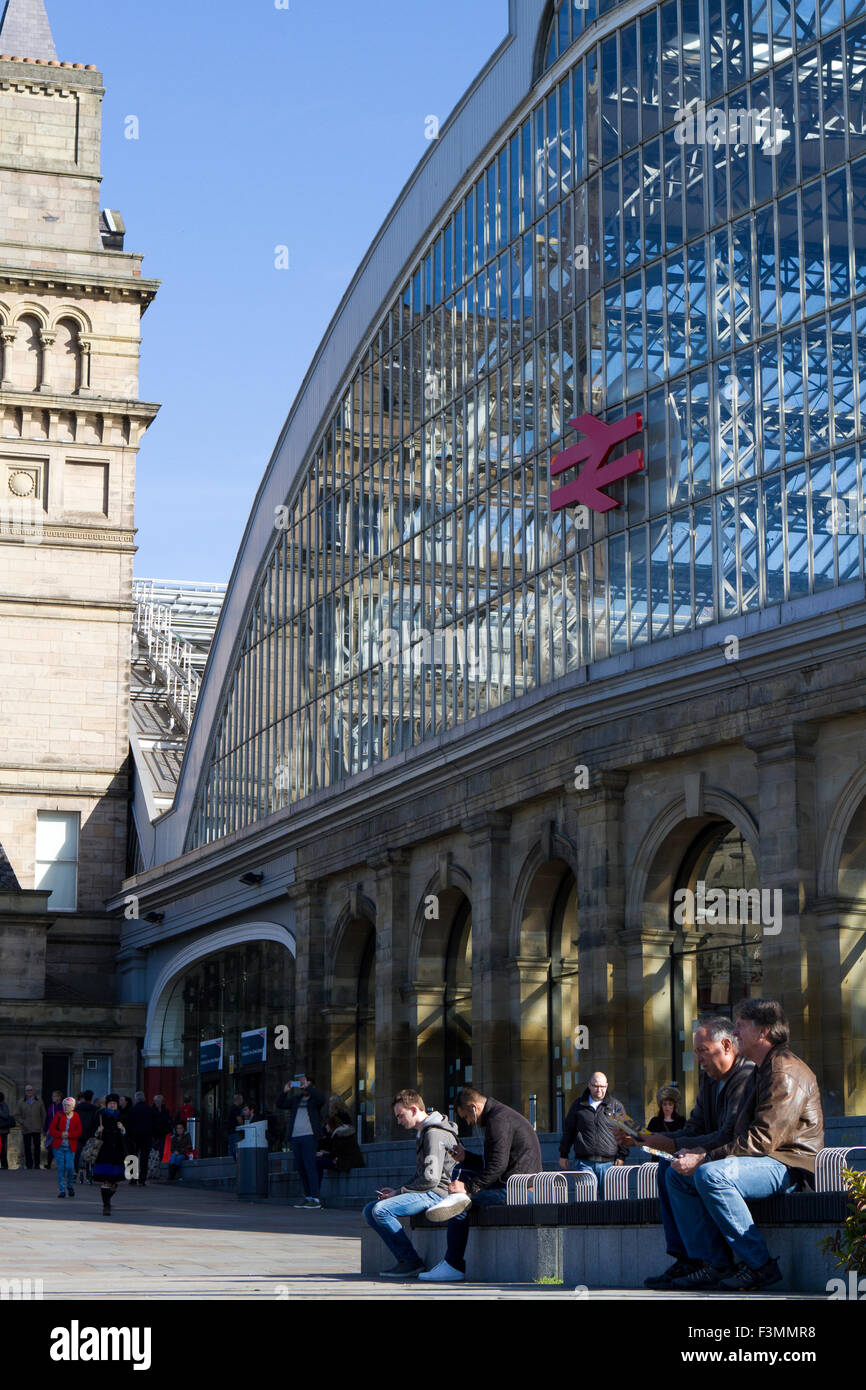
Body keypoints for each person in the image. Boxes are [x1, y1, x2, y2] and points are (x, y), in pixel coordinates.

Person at [663, 999, 824, 1292]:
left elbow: (763, 1138)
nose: (735, 1031)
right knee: (677, 1176)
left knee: (711, 1174)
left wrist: (705, 1159)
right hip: (763, 1160)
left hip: (789, 1165)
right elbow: (734, 1134)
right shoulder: (761, 1069)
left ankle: (760, 1265)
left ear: (763, 1031)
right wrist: (697, 1152)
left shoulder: (783, 1071)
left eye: (741, 1025)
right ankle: (714, 1264)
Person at [624, 1016, 756, 1289]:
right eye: (696, 1053)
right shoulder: (710, 1080)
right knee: (665, 1167)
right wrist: (646, 1139)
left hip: (745, 1159)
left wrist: (672, 1145)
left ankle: (713, 1261)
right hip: (721, 1156)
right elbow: (694, 1128)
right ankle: (688, 1257)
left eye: (702, 1051)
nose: (698, 1059)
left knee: (683, 1172)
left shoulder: (745, 1076)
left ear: (727, 1045)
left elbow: (729, 1134)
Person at [419, 1085, 543, 1283]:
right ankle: (451, 1263)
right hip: (516, 1186)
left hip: (519, 1191)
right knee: (461, 1189)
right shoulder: (501, 1115)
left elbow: (497, 1166)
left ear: (474, 1107)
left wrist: (467, 1189)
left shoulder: (498, 1120)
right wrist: (465, 1156)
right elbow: (496, 1162)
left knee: (458, 1204)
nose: (469, 1122)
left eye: (467, 1117)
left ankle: (453, 1264)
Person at [363, 1089, 458, 1280]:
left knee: (380, 1210)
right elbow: (420, 1175)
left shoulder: (433, 1134)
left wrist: (398, 1192)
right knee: (369, 1210)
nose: (398, 1121)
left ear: (414, 1109)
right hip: (429, 1189)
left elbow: (430, 1180)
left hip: (437, 1192)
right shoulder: (425, 1132)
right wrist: (397, 1192)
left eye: (400, 1115)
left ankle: (411, 1261)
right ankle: (406, 1261)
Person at [558, 1071, 627, 1184]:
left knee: (609, 1200)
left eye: (602, 1086)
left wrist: (622, 1156)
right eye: (595, 1086)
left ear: (607, 1085)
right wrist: (563, 1154)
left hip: (609, 1164)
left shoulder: (615, 1106)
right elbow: (568, 1131)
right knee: (587, 1200)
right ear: (589, 1085)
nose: (599, 1090)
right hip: (584, 1162)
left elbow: (624, 1131)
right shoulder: (578, 1105)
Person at [277, 1074, 326, 1209]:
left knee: (310, 1167)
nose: (303, 1087)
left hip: (309, 1136)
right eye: (302, 1084)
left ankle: (315, 1199)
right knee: (301, 1168)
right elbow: (280, 1104)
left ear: (312, 1086)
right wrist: (285, 1091)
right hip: (295, 1137)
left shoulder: (315, 1100)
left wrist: (309, 1088)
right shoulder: (296, 1099)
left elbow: (322, 1099)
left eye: (306, 1084)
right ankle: (308, 1197)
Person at [93, 1093, 129, 1216]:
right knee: (106, 1181)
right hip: (104, 1152)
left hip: (118, 1153)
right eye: (110, 1104)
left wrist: (123, 1129)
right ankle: (106, 1205)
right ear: (107, 1104)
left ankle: (107, 1200)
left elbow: (128, 1135)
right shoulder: (100, 1115)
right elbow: (90, 1131)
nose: (112, 1105)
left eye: (114, 1104)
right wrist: (98, 1131)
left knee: (115, 1183)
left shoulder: (122, 1116)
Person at [316, 1097, 365, 1186]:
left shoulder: (340, 1134)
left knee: (317, 1162)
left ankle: (315, 1192)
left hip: (345, 1162)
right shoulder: (340, 1133)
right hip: (346, 1160)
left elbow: (336, 1153)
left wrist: (323, 1154)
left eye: (327, 1126)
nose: (326, 1128)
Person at [48, 1097, 82, 1198]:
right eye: (64, 1105)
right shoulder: (58, 1115)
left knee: (70, 1167)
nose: (65, 1107)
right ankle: (62, 1190)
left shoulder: (76, 1116)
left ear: (73, 1107)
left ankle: (70, 1185)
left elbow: (79, 1131)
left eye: (68, 1105)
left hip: (70, 1147)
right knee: (61, 1168)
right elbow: (52, 1130)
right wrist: (61, 1134)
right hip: (58, 1147)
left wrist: (69, 1134)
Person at [645, 1085, 687, 1154]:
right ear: (661, 1106)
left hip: (676, 1156)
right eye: (665, 1104)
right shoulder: (655, 1121)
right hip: (658, 1157)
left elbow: (685, 1139)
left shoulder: (681, 1121)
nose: (667, 1107)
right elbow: (648, 1140)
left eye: (670, 1104)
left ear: (674, 1106)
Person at [14, 1085, 46, 1169]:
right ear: (25, 1092)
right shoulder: (21, 1102)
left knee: (37, 1146)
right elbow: (16, 1115)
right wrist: (23, 1122)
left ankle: (37, 1164)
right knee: (27, 1147)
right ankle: (29, 1165)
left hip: (37, 1128)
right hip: (26, 1128)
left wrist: (43, 1126)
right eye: (27, 1090)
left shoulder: (39, 1101)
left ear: (33, 1091)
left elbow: (43, 1115)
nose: (29, 1092)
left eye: (30, 1090)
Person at [128, 1091, 154, 1187]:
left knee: (132, 1157)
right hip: (147, 1136)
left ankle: (132, 1178)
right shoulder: (150, 1110)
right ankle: (142, 1179)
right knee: (144, 1158)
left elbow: (128, 1123)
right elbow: (154, 1123)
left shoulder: (132, 1110)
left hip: (134, 1136)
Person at [74, 1091, 98, 1177]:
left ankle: (75, 1171)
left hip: (79, 1133)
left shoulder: (77, 1108)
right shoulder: (95, 1109)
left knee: (77, 1153)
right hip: (90, 1134)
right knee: (90, 1154)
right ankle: (89, 1172)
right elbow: (96, 1122)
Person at [42, 1091, 64, 1169]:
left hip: (59, 1130)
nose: (53, 1098)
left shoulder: (63, 1107)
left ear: (59, 1097)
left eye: (55, 1096)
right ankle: (49, 1163)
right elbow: (47, 1118)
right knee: (50, 1146)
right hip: (51, 1129)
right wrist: (45, 1129)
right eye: (53, 1096)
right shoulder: (51, 1107)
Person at [225, 1093, 245, 1159]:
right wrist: (243, 1127)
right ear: (239, 1100)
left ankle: (230, 1164)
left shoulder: (231, 1108)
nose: (242, 1101)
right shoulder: (236, 1108)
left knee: (231, 1149)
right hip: (235, 1132)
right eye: (242, 1099)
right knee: (236, 1149)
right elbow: (239, 1120)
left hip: (230, 1132)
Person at [0, 1091, 14, 1170]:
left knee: (3, 1149)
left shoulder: (4, 1105)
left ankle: (4, 1165)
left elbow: (6, 1116)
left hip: (3, 1131)